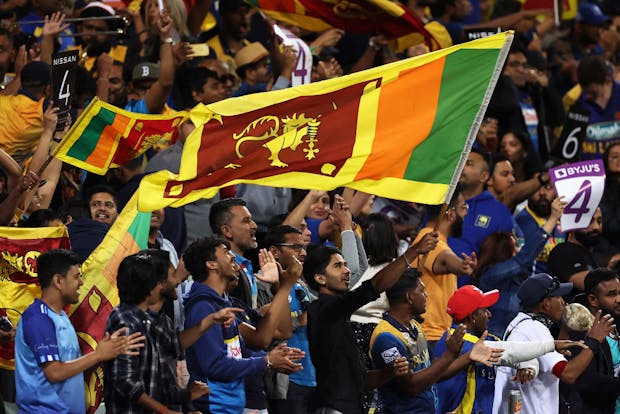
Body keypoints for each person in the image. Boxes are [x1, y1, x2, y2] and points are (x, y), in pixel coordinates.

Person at [304, 231, 438, 414]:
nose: (347, 271)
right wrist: (413, 252)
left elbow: (362, 380)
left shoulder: (338, 319)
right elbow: (374, 286)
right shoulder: (322, 310)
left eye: (345, 265)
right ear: (320, 278)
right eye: (338, 266)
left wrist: (390, 372)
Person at [182, 237, 304, 414]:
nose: (233, 257)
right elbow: (215, 366)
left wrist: (270, 357)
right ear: (211, 264)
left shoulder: (224, 304)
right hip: (213, 408)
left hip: (232, 406)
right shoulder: (204, 307)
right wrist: (266, 360)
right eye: (226, 251)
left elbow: (280, 332)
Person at [15, 249, 144, 413]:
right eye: (76, 276)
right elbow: (54, 373)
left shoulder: (61, 316)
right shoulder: (38, 318)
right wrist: (97, 355)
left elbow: (72, 371)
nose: (81, 282)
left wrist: (103, 354)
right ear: (58, 281)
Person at [436, 284, 588, 413]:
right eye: (484, 310)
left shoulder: (488, 339)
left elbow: (517, 354)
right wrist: (551, 345)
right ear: (472, 317)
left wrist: (528, 366)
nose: (489, 314)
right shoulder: (460, 341)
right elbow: (509, 353)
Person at [369, 270, 502, 413]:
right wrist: (449, 356)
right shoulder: (386, 337)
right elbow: (411, 386)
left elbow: (434, 372)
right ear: (409, 297)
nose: (426, 295)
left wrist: (468, 356)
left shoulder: (415, 327)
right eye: (422, 290)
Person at [104, 250, 210, 413]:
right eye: (173, 274)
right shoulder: (125, 321)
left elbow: (166, 381)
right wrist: (165, 411)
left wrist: (187, 401)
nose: (178, 281)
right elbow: (125, 382)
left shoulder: (162, 321)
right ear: (156, 284)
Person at [493, 273, 614, 414]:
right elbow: (569, 374)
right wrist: (594, 341)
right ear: (546, 304)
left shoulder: (517, 324)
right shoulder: (534, 329)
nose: (564, 302)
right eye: (558, 296)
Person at [477, 196, 565, 336]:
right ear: (503, 252)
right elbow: (524, 258)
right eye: (516, 245)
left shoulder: (518, 279)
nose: (520, 249)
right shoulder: (490, 276)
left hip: (515, 342)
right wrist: (553, 219)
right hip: (494, 343)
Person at [413, 186, 476, 345]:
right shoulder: (429, 239)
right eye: (463, 207)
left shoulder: (434, 239)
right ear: (450, 213)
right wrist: (462, 266)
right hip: (429, 335)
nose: (466, 213)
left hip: (436, 334)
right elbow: (445, 260)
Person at [570, 268, 620, 413]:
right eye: (612, 295)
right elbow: (587, 384)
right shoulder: (579, 333)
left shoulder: (616, 322)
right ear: (593, 300)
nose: (619, 299)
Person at [548, 207, 604, 293]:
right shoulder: (563, 251)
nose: (596, 227)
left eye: (599, 221)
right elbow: (598, 288)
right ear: (572, 224)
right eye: (589, 221)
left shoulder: (589, 253)